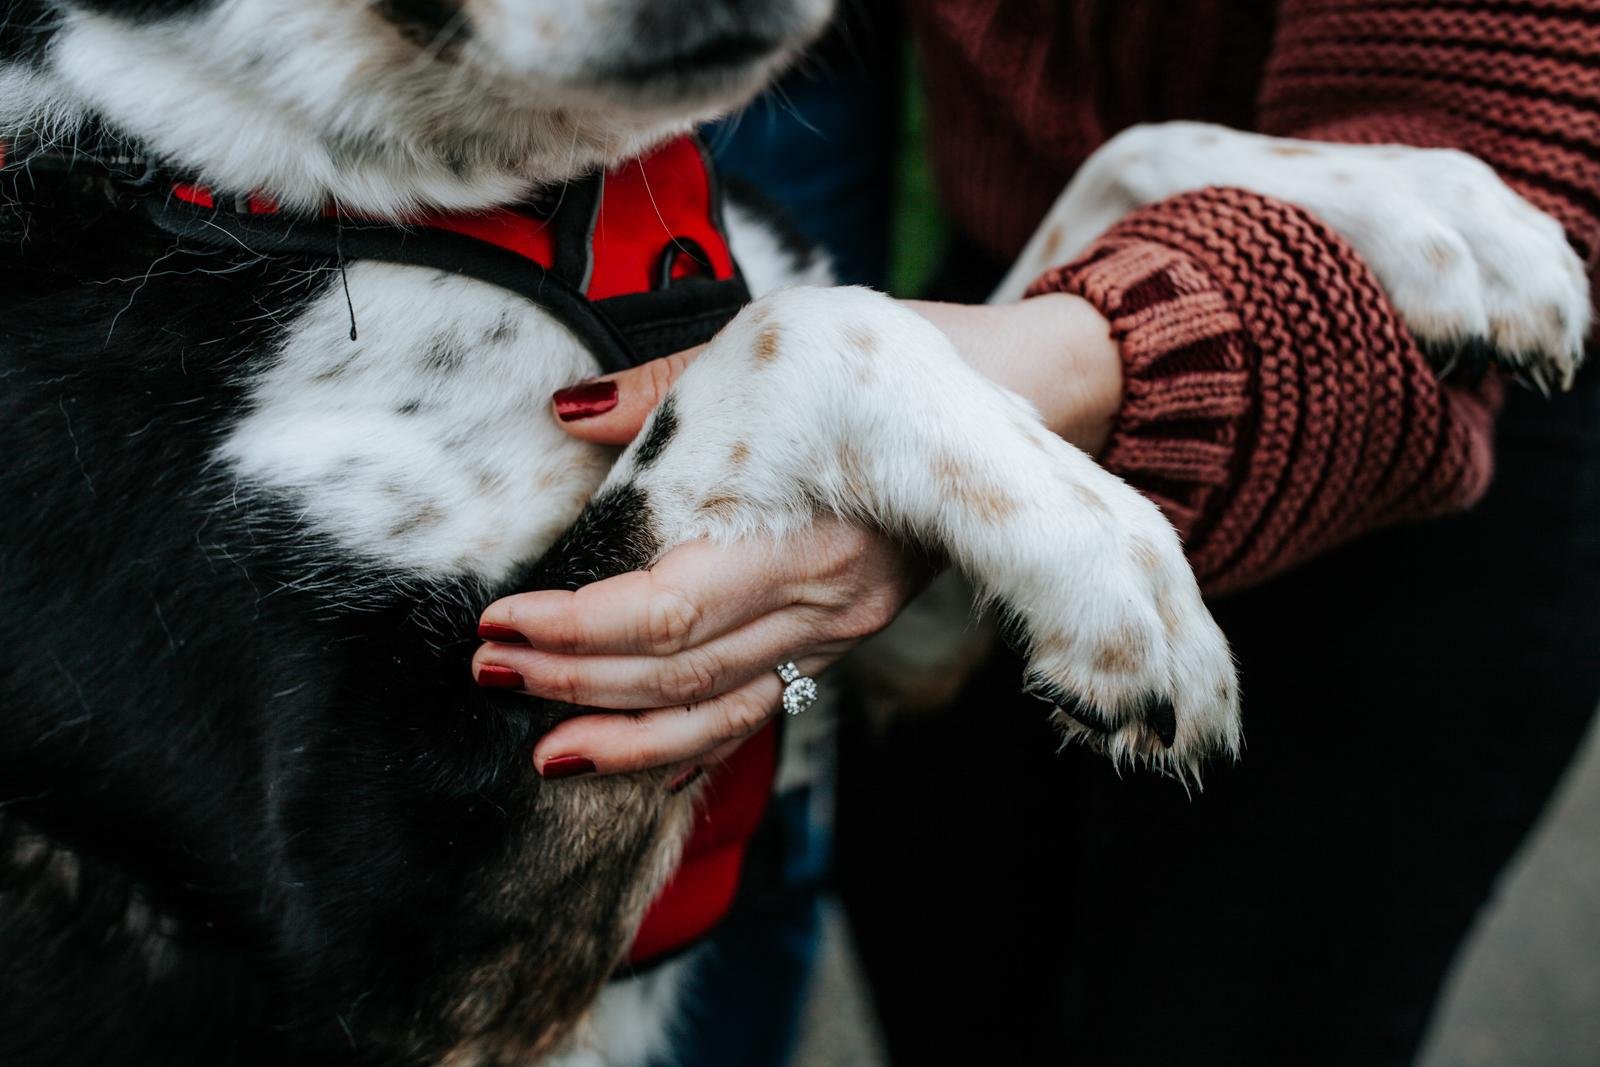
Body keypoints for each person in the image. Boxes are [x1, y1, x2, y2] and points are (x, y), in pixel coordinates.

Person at [473, 2, 1600, 1063]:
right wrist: (803, 682)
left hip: (1381, 418)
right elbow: (840, 669)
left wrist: (1017, 366)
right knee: (925, 918)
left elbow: (1503, 165)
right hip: (1013, 304)